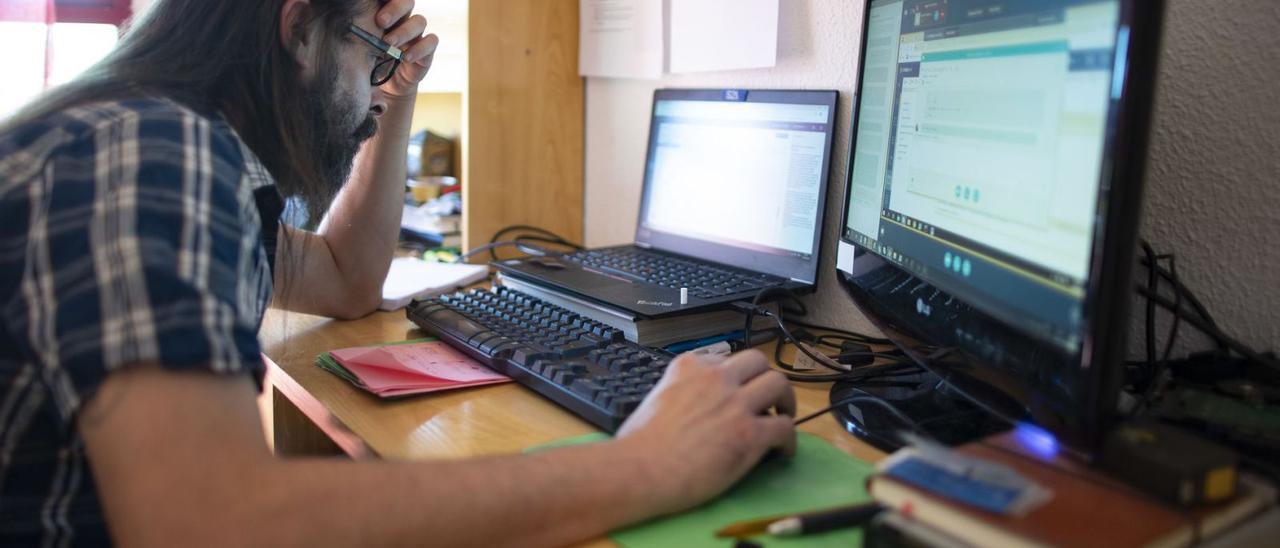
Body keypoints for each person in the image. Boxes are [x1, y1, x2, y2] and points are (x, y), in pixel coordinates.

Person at [0, 0, 798, 545]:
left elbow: (347, 280)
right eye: (369, 52)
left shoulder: (173, 152)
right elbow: (212, 523)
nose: (369, 93)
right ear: (299, 29)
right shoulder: (148, 157)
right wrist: (646, 464)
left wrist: (396, 93)